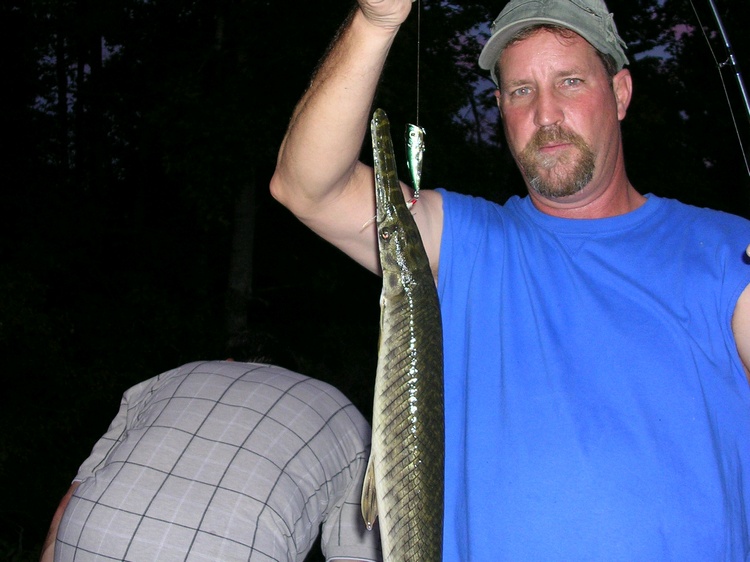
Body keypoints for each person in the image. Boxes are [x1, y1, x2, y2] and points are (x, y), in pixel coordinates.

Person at [269, 0, 750, 559]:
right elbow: (307, 186)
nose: (546, 114)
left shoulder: (726, 252)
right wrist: (375, 21)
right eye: (521, 91)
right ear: (499, 107)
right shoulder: (466, 245)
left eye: (569, 82)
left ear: (620, 93)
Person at [40, 360, 382, 562]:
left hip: (94, 534)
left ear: (233, 362)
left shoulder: (168, 378)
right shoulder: (349, 420)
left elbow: (67, 503)